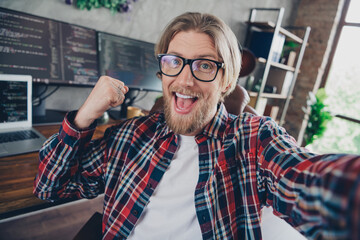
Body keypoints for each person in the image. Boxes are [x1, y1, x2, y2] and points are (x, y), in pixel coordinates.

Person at [33, 12, 360, 240]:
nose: (185, 79)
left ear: (227, 79)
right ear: (162, 72)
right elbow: (50, 188)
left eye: (204, 65)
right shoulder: (129, 137)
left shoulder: (254, 140)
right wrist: (83, 117)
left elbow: (315, 185)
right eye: (174, 62)